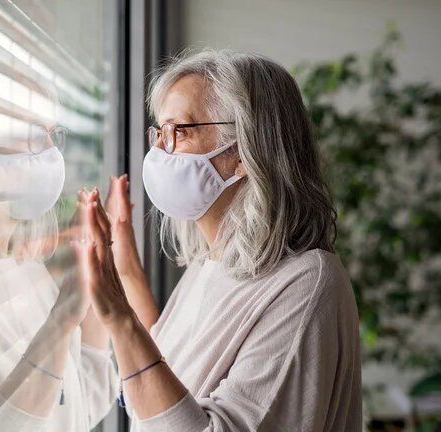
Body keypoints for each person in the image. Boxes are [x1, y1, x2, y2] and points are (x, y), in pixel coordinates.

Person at [73, 49, 363, 431]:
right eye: (159, 132)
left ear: (245, 149)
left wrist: (118, 316)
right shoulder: (212, 263)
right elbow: (168, 369)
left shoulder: (307, 284)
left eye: (179, 131)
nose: (159, 151)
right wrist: (124, 269)